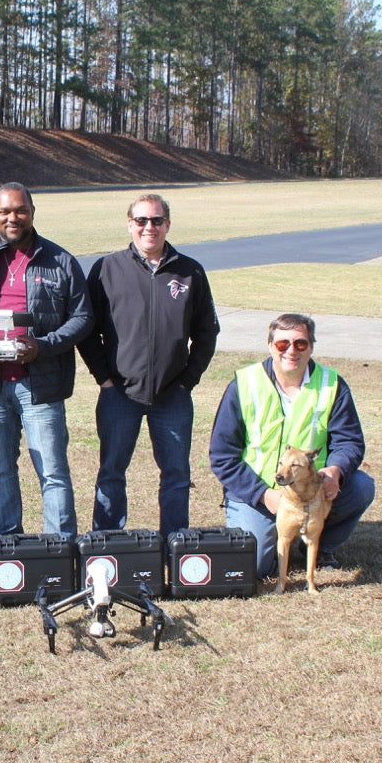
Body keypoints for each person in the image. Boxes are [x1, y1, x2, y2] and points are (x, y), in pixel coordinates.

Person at [0, 182, 93, 536]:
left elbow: (83, 318)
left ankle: (60, 548)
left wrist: (42, 345)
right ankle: (9, 550)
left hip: (40, 386)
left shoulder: (60, 262)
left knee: (53, 473)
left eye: (20, 210)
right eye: (5, 211)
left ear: (32, 213)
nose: (13, 218)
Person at [78, 194, 219, 538]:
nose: (149, 228)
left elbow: (207, 331)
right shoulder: (107, 269)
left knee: (175, 473)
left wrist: (188, 380)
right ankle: (107, 544)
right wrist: (104, 379)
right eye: (141, 221)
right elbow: (86, 329)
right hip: (119, 394)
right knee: (111, 471)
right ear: (129, 224)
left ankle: (174, 544)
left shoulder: (189, 271)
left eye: (156, 221)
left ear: (168, 225)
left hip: (172, 395)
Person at [208, 313, 376, 578]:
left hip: (312, 492)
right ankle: (274, 538)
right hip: (259, 495)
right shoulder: (244, 384)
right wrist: (263, 495)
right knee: (255, 568)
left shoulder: (332, 384)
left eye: (300, 343)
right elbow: (222, 456)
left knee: (361, 486)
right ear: (270, 345)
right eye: (282, 343)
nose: (291, 351)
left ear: (311, 347)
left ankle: (320, 547)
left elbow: (349, 441)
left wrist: (336, 470)